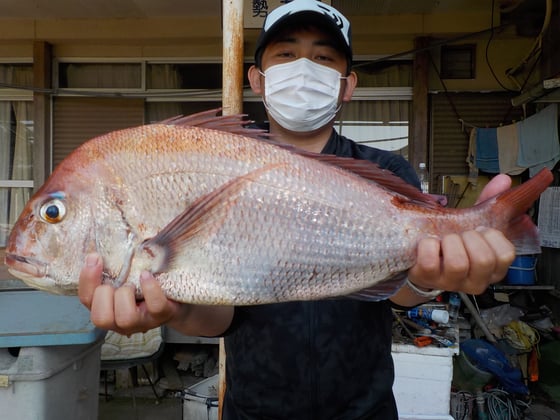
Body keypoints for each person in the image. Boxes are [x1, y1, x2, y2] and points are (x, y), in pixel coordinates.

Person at [78, 0, 516, 418]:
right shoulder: (218, 165)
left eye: (323, 58)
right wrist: (175, 309)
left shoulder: (385, 170)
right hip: (254, 411)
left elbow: (396, 291)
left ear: (347, 85)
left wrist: (425, 277)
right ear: (257, 79)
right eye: (286, 54)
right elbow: (222, 314)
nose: (304, 69)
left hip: (364, 411)